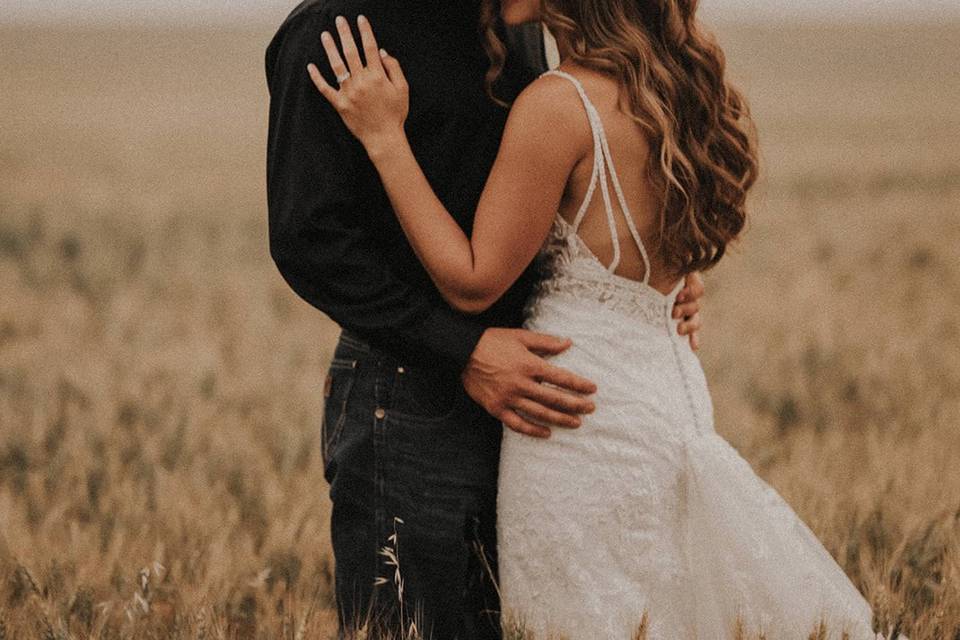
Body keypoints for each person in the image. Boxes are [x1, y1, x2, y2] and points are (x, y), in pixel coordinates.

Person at [306, 0, 892, 638]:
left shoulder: (558, 104)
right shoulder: (676, 88)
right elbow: (650, 252)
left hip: (573, 419)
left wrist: (386, 139)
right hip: (667, 404)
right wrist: (674, 291)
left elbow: (474, 283)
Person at [264, 1, 705, 638]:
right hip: (407, 396)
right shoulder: (337, 26)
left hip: (538, 404)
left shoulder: (515, 21)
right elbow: (308, 239)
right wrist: (463, 349)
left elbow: (560, 185)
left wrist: (649, 285)